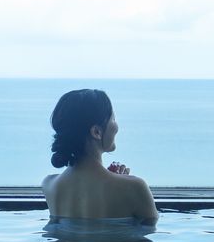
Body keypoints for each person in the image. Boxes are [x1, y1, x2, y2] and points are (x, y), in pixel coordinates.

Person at [41, 88, 158, 226]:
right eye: (113, 118)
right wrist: (119, 181)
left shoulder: (49, 185)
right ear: (96, 132)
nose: (117, 126)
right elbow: (145, 240)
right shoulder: (134, 187)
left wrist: (115, 178)